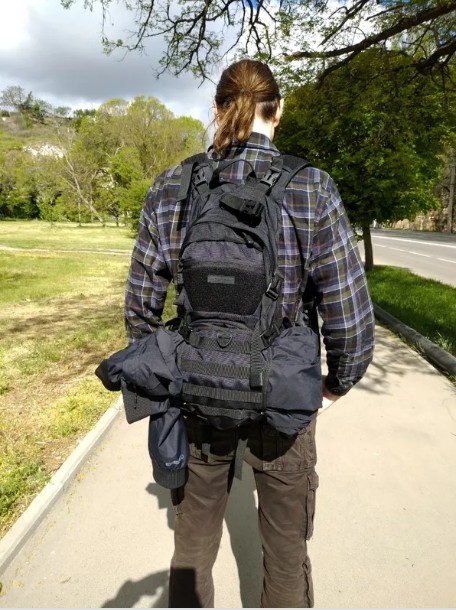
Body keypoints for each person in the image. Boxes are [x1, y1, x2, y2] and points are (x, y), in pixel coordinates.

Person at [124, 58, 375, 608]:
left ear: (217, 109)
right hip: (282, 397)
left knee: (192, 545)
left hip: (197, 394)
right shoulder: (310, 188)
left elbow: (141, 312)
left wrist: (170, 379)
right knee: (285, 551)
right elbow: (349, 317)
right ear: (277, 111)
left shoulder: (171, 188)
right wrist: (333, 386)